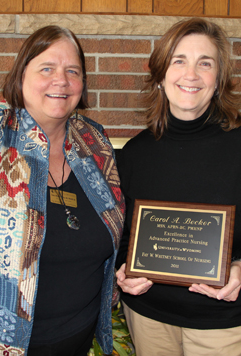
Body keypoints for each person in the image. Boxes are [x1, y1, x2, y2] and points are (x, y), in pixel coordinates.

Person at [0, 25, 125, 356]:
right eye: (46, 68)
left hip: (82, 337)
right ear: (21, 76)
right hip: (3, 344)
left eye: (71, 71)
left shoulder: (94, 142)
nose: (60, 80)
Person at [115, 17, 241, 356]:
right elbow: (122, 235)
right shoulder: (135, 154)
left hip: (223, 323)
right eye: (179, 60)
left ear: (219, 80)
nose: (191, 74)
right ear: (160, 75)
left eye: (205, 63)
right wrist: (122, 270)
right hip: (149, 318)